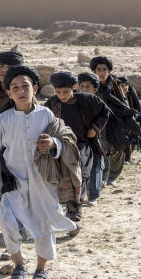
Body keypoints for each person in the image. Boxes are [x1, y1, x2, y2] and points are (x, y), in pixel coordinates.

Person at [0, 66, 79, 279]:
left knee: (44, 226)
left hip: (43, 183)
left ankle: (41, 270)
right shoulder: (5, 118)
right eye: (15, 88)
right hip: (13, 182)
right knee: (7, 221)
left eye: (25, 86)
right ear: (8, 93)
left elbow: (64, 140)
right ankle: (19, 265)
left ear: (35, 88)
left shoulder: (46, 115)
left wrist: (53, 145)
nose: (20, 91)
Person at [44, 71, 109, 220]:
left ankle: (75, 210)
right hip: (60, 145)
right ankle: (66, 206)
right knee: (63, 176)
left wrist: (94, 129)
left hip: (82, 144)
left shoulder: (87, 99)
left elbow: (105, 112)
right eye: (58, 92)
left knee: (81, 174)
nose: (63, 96)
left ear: (74, 87)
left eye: (66, 92)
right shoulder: (52, 103)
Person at [90, 56, 141, 185]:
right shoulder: (91, 84)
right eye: (99, 69)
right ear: (94, 71)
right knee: (101, 147)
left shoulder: (115, 84)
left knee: (118, 148)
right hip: (98, 121)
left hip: (116, 121)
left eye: (105, 69)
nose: (102, 72)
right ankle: (103, 176)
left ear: (109, 71)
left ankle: (113, 176)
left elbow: (123, 103)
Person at [76, 72, 109, 204]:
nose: (84, 89)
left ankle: (94, 196)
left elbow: (105, 114)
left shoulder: (97, 102)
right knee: (81, 167)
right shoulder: (74, 101)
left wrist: (94, 129)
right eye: (82, 86)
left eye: (87, 87)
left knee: (96, 165)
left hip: (95, 139)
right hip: (80, 139)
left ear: (95, 89)